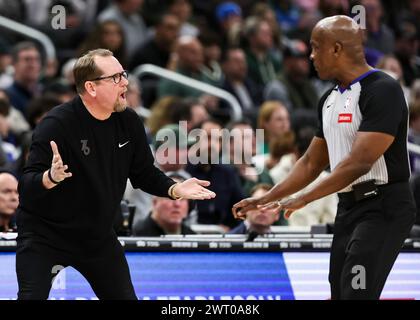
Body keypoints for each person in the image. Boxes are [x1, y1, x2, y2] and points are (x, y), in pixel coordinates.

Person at [233, 16, 416, 300]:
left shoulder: (383, 90)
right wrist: (267, 197)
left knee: (357, 291)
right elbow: (310, 162)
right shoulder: (328, 99)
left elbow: (359, 162)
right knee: (339, 292)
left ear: (337, 49)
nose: (311, 55)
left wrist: (305, 197)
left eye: (316, 47)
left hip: (384, 205)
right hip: (348, 206)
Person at [15, 48, 216, 300]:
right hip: (45, 236)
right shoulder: (57, 124)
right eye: (116, 78)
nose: (126, 82)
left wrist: (174, 189)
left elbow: (143, 173)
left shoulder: (128, 122)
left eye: (124, 74)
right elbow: (26, 186)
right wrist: (50, 177)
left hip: (96, 236)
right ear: (91, 87)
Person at [133, 171, 195, 236]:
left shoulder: (193, 237)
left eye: (183, 199)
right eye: (171, 198)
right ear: (155, 202)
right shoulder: (134, 235)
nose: (177, 204)